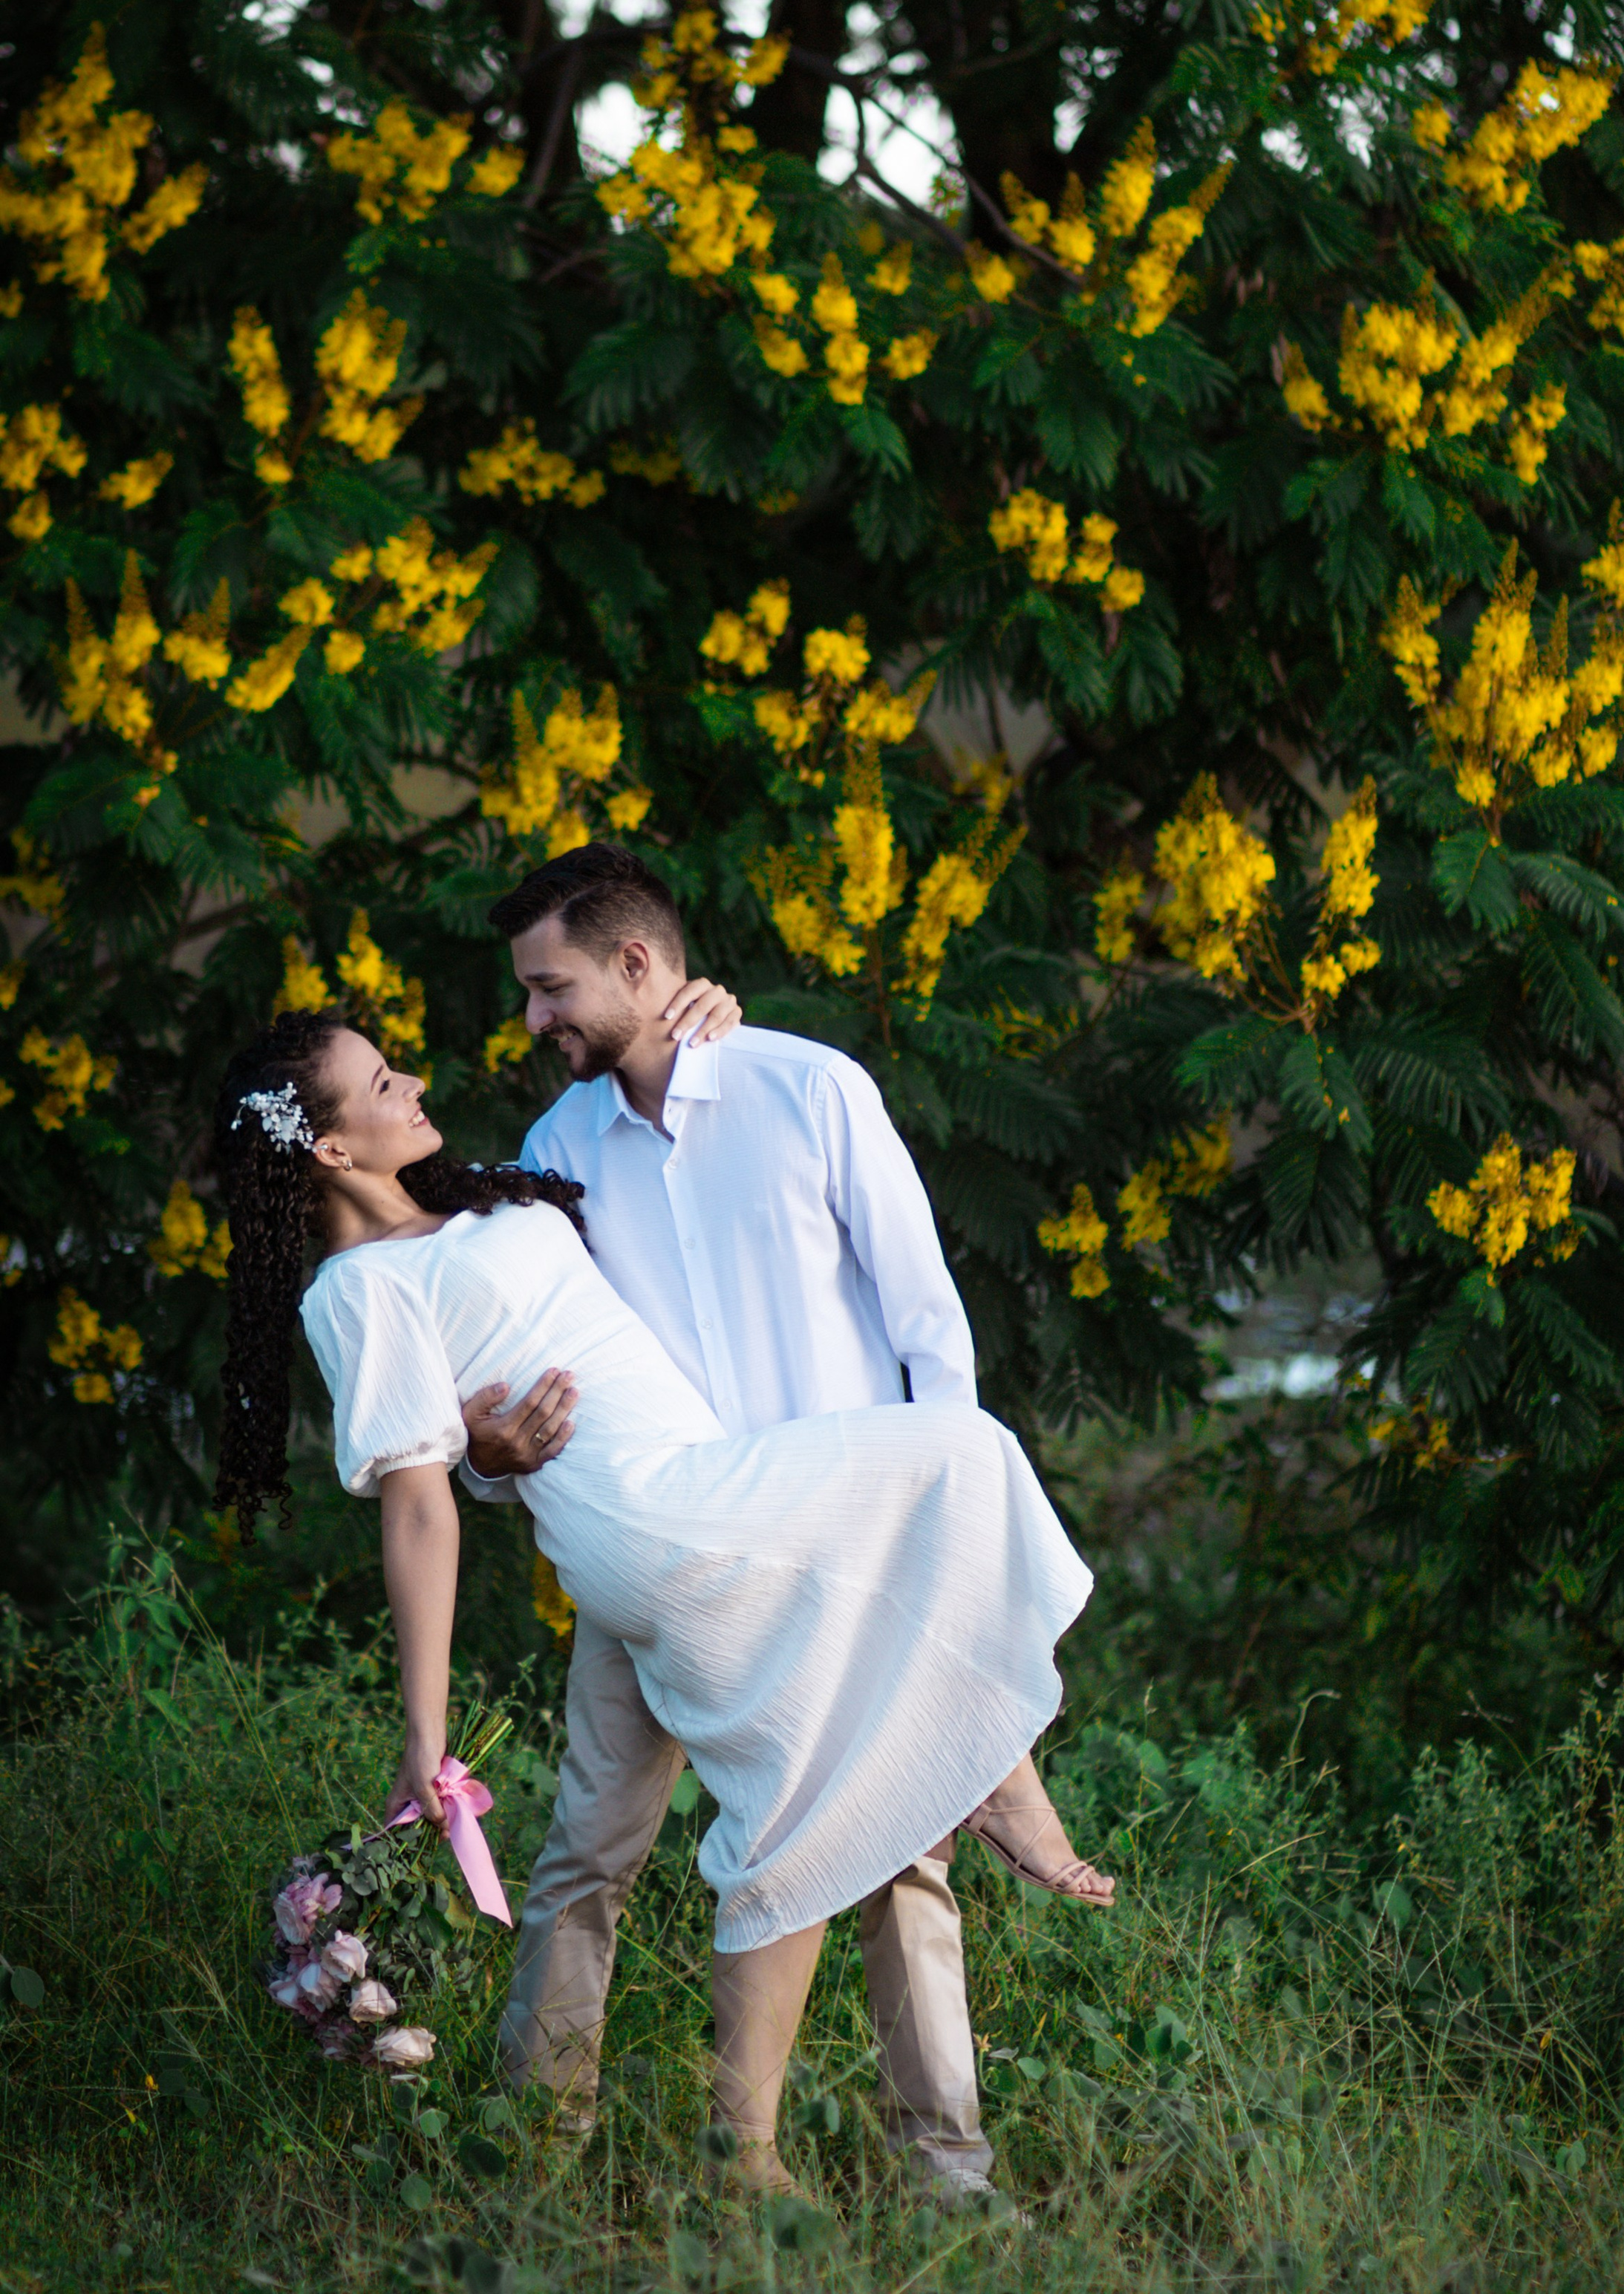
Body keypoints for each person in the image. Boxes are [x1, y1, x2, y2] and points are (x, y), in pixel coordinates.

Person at [212, 1006, 1110, 2199]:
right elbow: (421, 1505)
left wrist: (707, 1013)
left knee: (791, 1803)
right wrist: (424, 1736)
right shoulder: (354, 1291)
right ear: (328, 1149)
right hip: (656, 1513)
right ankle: (998, 1778)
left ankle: (741, 2158)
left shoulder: (483, 1195)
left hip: (700, 1491)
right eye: (382, 1080)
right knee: (962, 1452)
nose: (415, 1079)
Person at [455, 844, 1016, 2199]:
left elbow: (927, 1325)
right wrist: (485, 1459)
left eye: (554, 987)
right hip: (657, 1556)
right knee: (589, 1848)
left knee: (900, 1855)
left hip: (840, 1551)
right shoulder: (554, 1152)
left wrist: (945, 1540)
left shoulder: (809, 1087)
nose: (535, 1020)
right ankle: (535, 2158)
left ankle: (944, 2172)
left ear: (639, 965)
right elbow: (518, 1370)